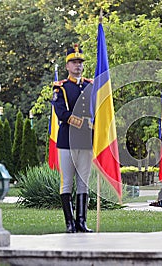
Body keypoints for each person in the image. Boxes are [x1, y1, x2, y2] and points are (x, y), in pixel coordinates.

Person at [52, 44, 93, 233]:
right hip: (67, 139)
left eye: (80, 62)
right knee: (67, 181)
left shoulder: (90, 86)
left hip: (86, 141)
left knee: (83, 181)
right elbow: (61, 112)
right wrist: (83, 124)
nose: (78, 65)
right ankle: (70, 223)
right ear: (67, 65)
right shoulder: (61, 87)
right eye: (74, 62)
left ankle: (82, 222)